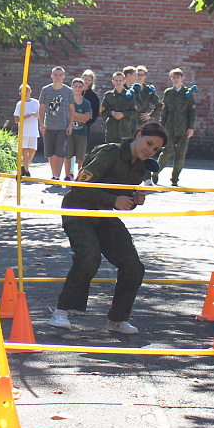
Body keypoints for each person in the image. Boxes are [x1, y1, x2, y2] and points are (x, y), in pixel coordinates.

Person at [47, 121, 168, 335]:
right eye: (148, 143)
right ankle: (61, 311)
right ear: (138, 135)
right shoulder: (109, 153)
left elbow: (122, 198)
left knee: (133, 265)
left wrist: (133, 200)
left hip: (104, 214)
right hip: (79, 209)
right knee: (89, 256)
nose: (150, 151)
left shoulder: (142, 165)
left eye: (155, 149)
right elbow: (79, 187)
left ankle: (118, 319)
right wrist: (114, 200)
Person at [157, 68, 197, 186]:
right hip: (169, 127)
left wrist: (191, 127)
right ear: (171, 79)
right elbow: (164, 111)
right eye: (174, 77)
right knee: (167, 152)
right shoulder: (168, 93)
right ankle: (155, 172)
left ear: (182, 78)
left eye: (178, 77)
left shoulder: (187, 93)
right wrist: (161, 126)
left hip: (183, 128)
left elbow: (192, 112)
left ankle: (175, 178)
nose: (176, 80)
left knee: (180, 154)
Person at [39, 66, 73, 180]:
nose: (58, 77)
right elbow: (42, 107)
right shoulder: (46, 90)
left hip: (62, 126)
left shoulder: (68, 91)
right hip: (49, 126)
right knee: (50, 153)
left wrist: (70, 125)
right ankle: (54, 175)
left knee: (60, 153)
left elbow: (72, 109)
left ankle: (57, 175)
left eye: (60, 75)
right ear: (52, 76)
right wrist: (41, 123)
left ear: (63, 77)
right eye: (56, 75)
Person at [64, 77, 93, 180]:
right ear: (72, 88)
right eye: (75, 86)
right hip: (69, 131)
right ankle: (67, 175)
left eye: (80, 87)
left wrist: (73, 114)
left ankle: (80, 177)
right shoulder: (68, 102)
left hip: (82, 132)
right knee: (68, 155)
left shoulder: (86, 103)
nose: (77, 89)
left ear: (83, 88)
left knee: (81, 156)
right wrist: (78, 116)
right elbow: (66, 116)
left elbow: (86, 119)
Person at [100, 71, 138, 143]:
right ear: (113, 81)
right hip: (112, 129)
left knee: (124, 151)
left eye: (120, 80)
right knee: (110, 150)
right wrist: (111, 113)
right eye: (116, 80)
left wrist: (123, 114)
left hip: (125, 129)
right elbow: (103, 111)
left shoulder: (130, 95)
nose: (118, 82)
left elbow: (134, 112)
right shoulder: (108, 95)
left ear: (124, 81)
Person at [12, 84, 40, 178]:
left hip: (33, 131)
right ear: (20, 94)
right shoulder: (19, 104)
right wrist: (24, 117)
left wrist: (36, 115)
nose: (25, 94)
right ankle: (27, 171)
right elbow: (16, 119)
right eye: (23, 92)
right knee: (24, 150)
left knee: (33, 150)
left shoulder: (36, 103)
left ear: (30, 92)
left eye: (27, 92)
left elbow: (41, 116)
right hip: (23, 131)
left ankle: (24, 166)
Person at [81, 69, 102, 150]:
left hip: (85, 124)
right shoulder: (75, 91)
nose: (87, 81)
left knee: (82, 145)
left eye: (89, 80)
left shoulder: (93, 96)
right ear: (82, 78)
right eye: (86, 79)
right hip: (73, 122)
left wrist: (90, 122)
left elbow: (96, 110)